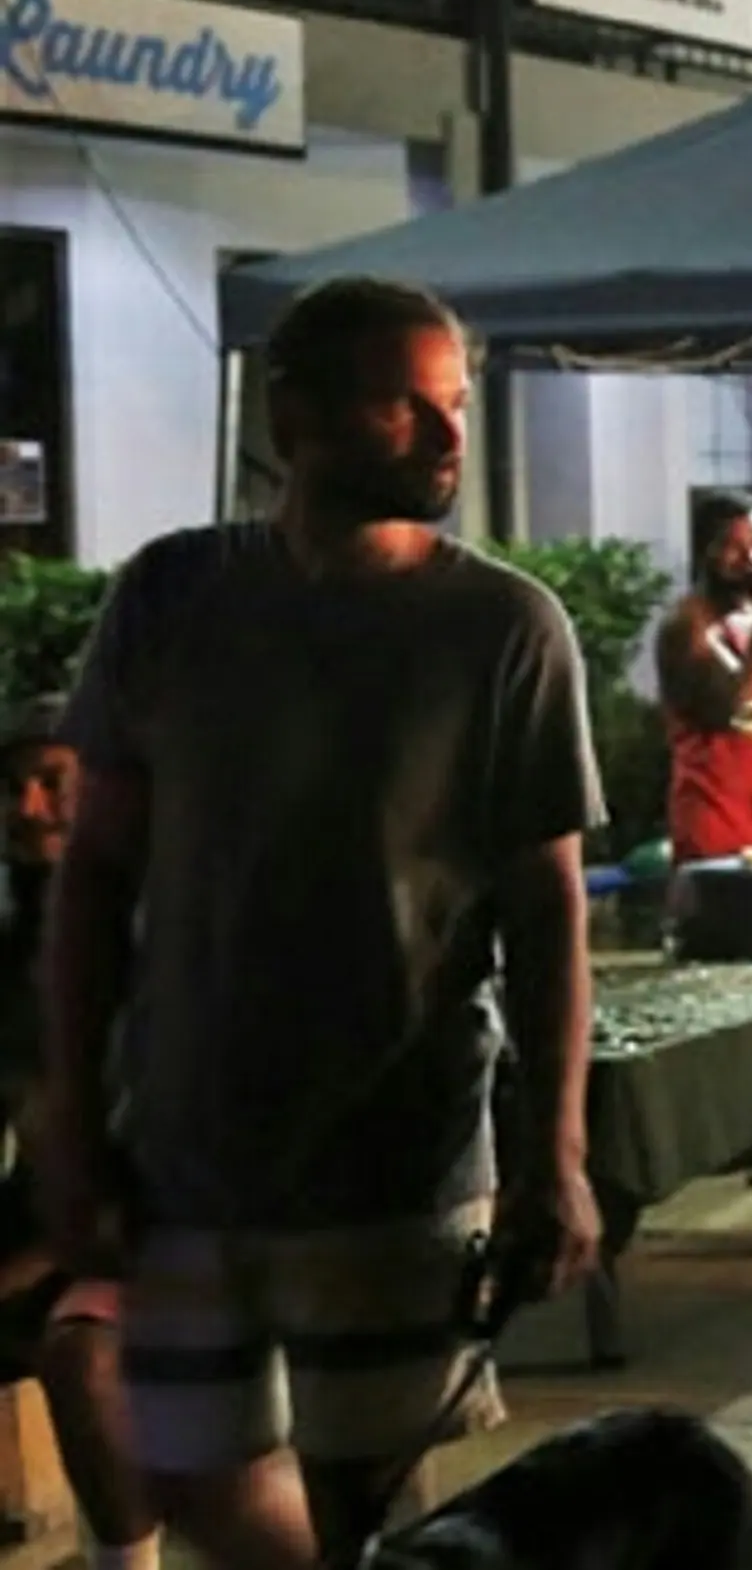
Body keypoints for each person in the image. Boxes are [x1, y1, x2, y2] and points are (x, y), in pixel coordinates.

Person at [41, 275, 606, 1570]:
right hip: (184, 1152)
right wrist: (75, 1106)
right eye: (404, 406)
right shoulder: (172, 597)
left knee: (377, 1502)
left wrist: (553, 1148)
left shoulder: (503, 626)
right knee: (194, 1472)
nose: (447, 433)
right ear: (292, 417)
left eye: (455, 402)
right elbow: (93, 874)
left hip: (395, 1161)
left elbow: (549, 905)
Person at [0, 698, 155, 1570]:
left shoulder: (164, 937)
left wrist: (42, 1261)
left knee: (85, 1361)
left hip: (159, 1235)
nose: (25, 810)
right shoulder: (15, 949)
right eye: (10, 788)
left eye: (50, 783)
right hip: (50, 1224)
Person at [656, 491, 752, 866]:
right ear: (705, 551)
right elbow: (747, 710)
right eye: (732, 546)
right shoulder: (689, 628)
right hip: (717, 829)